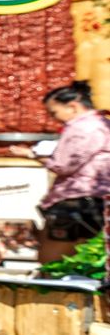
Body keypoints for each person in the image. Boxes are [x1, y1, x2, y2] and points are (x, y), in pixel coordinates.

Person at [38, 82, 110, 245]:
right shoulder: (103, 123)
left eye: (54, 112)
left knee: (60, 250)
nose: (53, 118)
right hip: (99, 196)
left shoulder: (82, 127)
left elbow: (63, 166)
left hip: (82, 198)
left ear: (73, 106)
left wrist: (35, 156)